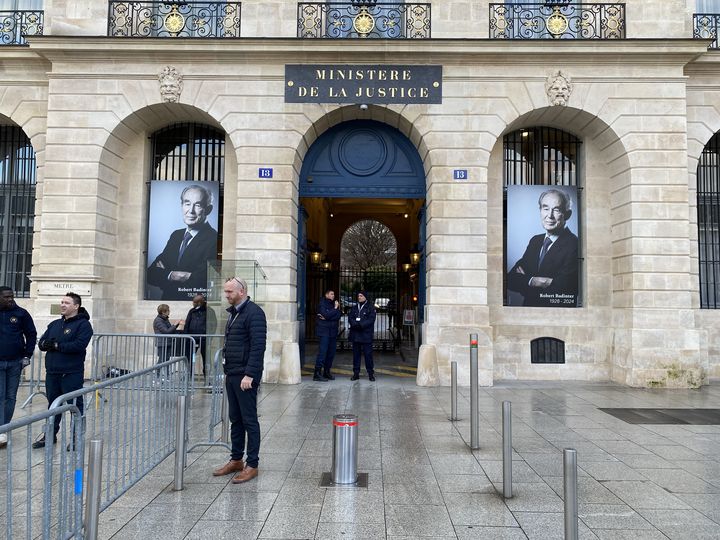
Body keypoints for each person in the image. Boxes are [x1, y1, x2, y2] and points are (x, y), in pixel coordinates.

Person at [213, 277, 267, 484]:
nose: (226, 295)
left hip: (245, 376)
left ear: (242, 291)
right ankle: (236, 459)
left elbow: (258, 346)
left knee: (249, 420)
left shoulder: (254, 313)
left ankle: (252, 464)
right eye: (225, 291)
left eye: (229, 292)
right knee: (235, 418)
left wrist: (250, 374)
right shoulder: (234, 313)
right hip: (233, 373)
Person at [33, 293, 93, 449]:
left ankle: (75, 438)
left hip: (71, 373)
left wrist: (57, 346)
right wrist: (49, 344)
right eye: (62, 302)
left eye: (67, 302)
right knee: (53, 406)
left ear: (76, 306)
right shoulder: (54, 324)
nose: (63, 305)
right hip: (53, 373)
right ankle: (49, 435)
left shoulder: (83, 325)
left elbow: (78, 345)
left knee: (75, 406)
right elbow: (42, 343)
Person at [507, 189, 579, 307]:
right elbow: (511, 279)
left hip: (557, 317)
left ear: (567, 214)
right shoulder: (535, 241)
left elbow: (564, 290)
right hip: (527, 313)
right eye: (545, 208)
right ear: (540, 210)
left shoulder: (574, 245)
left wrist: (526, 281)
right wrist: (538, 281)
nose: (549, 215)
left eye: (556, 210)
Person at [147, 184, 218, 301]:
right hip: (167, 302)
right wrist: (177, 275)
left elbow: (202, 281)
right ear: (182, 206)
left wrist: (166, 274)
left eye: (198, 205)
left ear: (208, 209)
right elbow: (151, 274)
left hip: (193, 305)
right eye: (187, 203)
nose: (191, 211)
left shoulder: (213, 239)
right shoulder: (176, 235)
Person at [0, 286, 37, 449]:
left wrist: (27, 355)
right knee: (0, 396)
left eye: (12, 296)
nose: (10, 299)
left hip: (15, 362)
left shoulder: (21, 313)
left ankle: (4, 428)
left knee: (11, 397)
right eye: (6, 297)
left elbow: (31, 334)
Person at [183, 293, 217, 379]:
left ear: (199, 302)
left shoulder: (209, 311)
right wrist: (186, 337)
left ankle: (207, 376)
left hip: (204, 339)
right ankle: (188, 375)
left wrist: (210, 337)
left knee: (206, 359)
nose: (193, 303)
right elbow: (187, 324)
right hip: (192, 339)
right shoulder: (192, 311)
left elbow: (213, 325)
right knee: (189, 357)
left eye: (194, 302)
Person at [313, 289, 341, 381]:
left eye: (334, 294)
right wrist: (335, 309)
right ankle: (317, 374)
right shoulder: (322, 304)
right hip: (324, 331)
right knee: (322, 352)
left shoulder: (333, 304)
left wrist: (328, 316)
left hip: (332, 332)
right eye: (331, 294)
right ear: (326, 295)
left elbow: (337, 316)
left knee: (331, 353)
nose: (333, 296)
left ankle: (326, 372)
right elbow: (327, 314)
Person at [348, 290, 376, 381]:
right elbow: (350, 317)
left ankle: (370, 374)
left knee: (368, 355)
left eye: (361, 296)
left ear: (365, 297)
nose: (359, 297)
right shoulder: (355, 307)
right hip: (356, 335)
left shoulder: (370, 308)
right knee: (356, 355)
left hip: (366, 335)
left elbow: (371, 319)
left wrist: (361, 325)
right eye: (358, 296)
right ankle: (356, 373)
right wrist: (355, 324)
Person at [153, 304, 184, 372]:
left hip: (167, 343)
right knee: (162, 360)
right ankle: (157, 375)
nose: (169, 311)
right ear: (163, 312)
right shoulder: (158, 320)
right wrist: (175, 324)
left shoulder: (165, 319)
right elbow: (166, 331)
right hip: (162, 343)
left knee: (166, 360)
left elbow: (170, 330)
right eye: (168, 310)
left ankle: (166, 376)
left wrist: (177, 324)